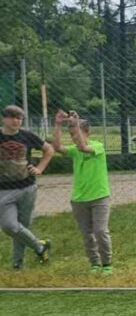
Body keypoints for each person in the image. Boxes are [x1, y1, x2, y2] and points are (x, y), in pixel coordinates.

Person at [51, 110, 112, 273]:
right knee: (87, 234)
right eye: (71, 134)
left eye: (77, 132)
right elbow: (57, 147)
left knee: (100, 231)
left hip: (99, 197)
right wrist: (58, 124)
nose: (74, 137)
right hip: (79, 199)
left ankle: (107, 264)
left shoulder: (98, 146)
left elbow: (84, 147)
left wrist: (76, 123)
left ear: (87, 133)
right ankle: (95, 263)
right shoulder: (73, 150)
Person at [1, 104, 53, 268]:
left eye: (19, 118)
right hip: (4, 189)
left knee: (23, 226)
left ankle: (18, 264)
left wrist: (40, 168)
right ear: (4, 118)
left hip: (27, 187)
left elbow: (49, 150)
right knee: (10, 226)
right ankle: (40, 246)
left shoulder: (27, 136)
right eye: (12, 117)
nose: (16, 121)